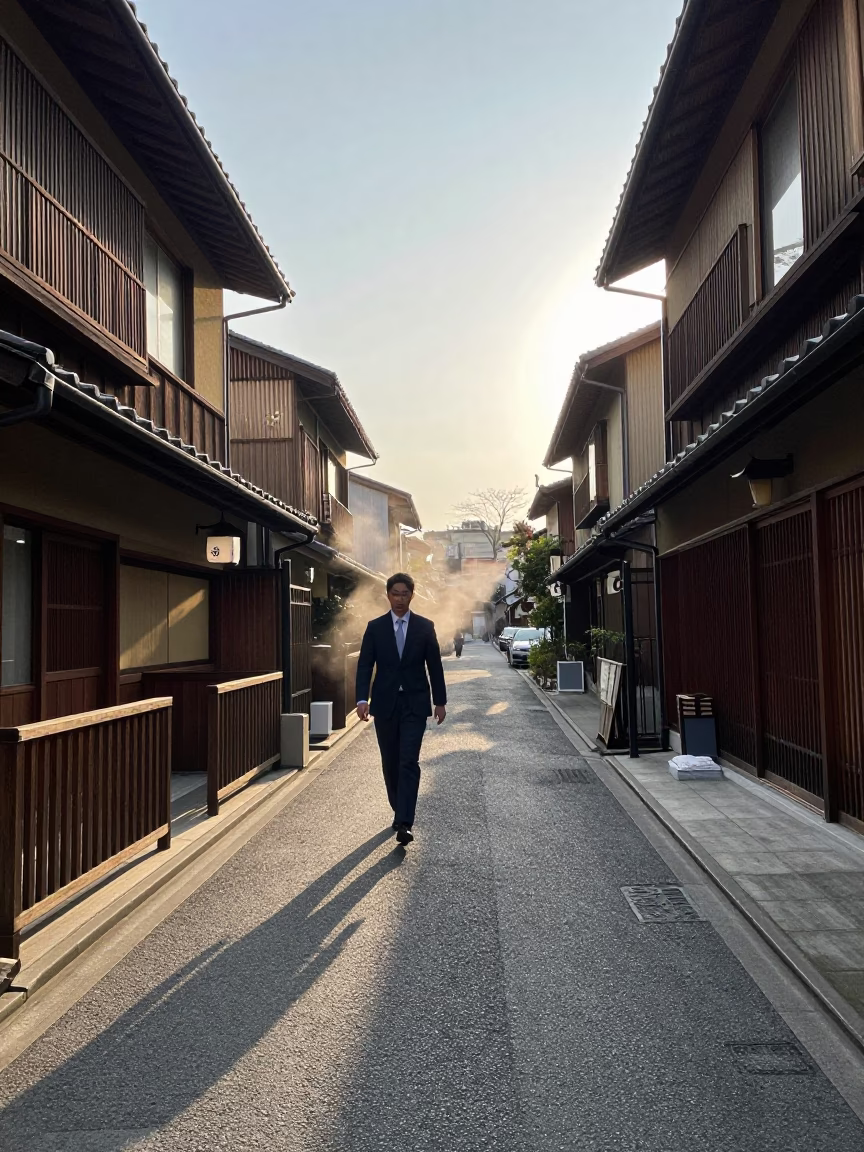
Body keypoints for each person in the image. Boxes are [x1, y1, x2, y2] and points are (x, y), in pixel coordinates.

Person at [355, 573, 447, 845]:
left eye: (404, 593)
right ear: (388, 595)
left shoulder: (424, 627)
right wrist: (361, 699)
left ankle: (405, 821)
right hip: (385, 704)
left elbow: (435, 666)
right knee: (390, 762)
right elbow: (365, 665)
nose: (399, 598)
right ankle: (399, 809)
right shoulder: (375, 628)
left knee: (408, 760)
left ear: (412, 595)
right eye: (395, 593)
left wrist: (440, 701)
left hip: (414, 704)